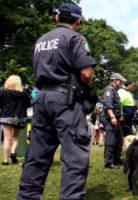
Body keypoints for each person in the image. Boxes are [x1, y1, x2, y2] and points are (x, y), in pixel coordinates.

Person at [17, 3, 96, 199]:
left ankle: (26, 196)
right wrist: (86, 88)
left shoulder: (40, 40)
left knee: (37, 156)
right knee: (74, 157)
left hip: (41, 98)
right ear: (78, 20)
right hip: (65, 100)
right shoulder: (75, 38)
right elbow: (86, 73)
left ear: (56, 18)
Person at [0, 75, 31, 165]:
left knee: (7, 138)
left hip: (7, 117)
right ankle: (13, 152)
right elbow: (28, 104)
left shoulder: (4, 92)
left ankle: (5, 161)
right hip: (20, 117)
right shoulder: (24, 94)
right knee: (15, 137)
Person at [101, 73, 126, 169]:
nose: (121, 83)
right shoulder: (109, 90)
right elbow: (108, 103)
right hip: (108, 118)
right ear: (114, 80)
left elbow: (117, 106)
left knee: (119, 139)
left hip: (115, 118)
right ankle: (108, 162)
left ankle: (116, 159)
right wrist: (112, 116)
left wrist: (119, 116)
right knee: (110, 140)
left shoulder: (115, 91)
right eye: (120, 81)